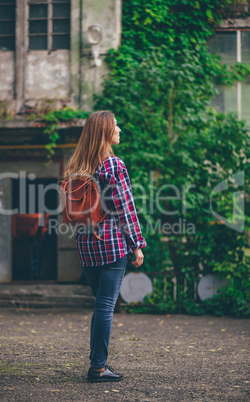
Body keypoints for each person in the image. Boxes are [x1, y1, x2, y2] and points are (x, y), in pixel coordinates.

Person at [63, 110, 146, 383]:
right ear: (104, 132)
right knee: (106, 307)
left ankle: (97, 363)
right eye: (116, 125)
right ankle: (98, 368)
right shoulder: (112, 165)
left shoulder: (79, 167)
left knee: (101, 306)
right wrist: (137, 245)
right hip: (111, 246)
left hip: (86, 247)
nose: (119, 129)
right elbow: (125, 209)